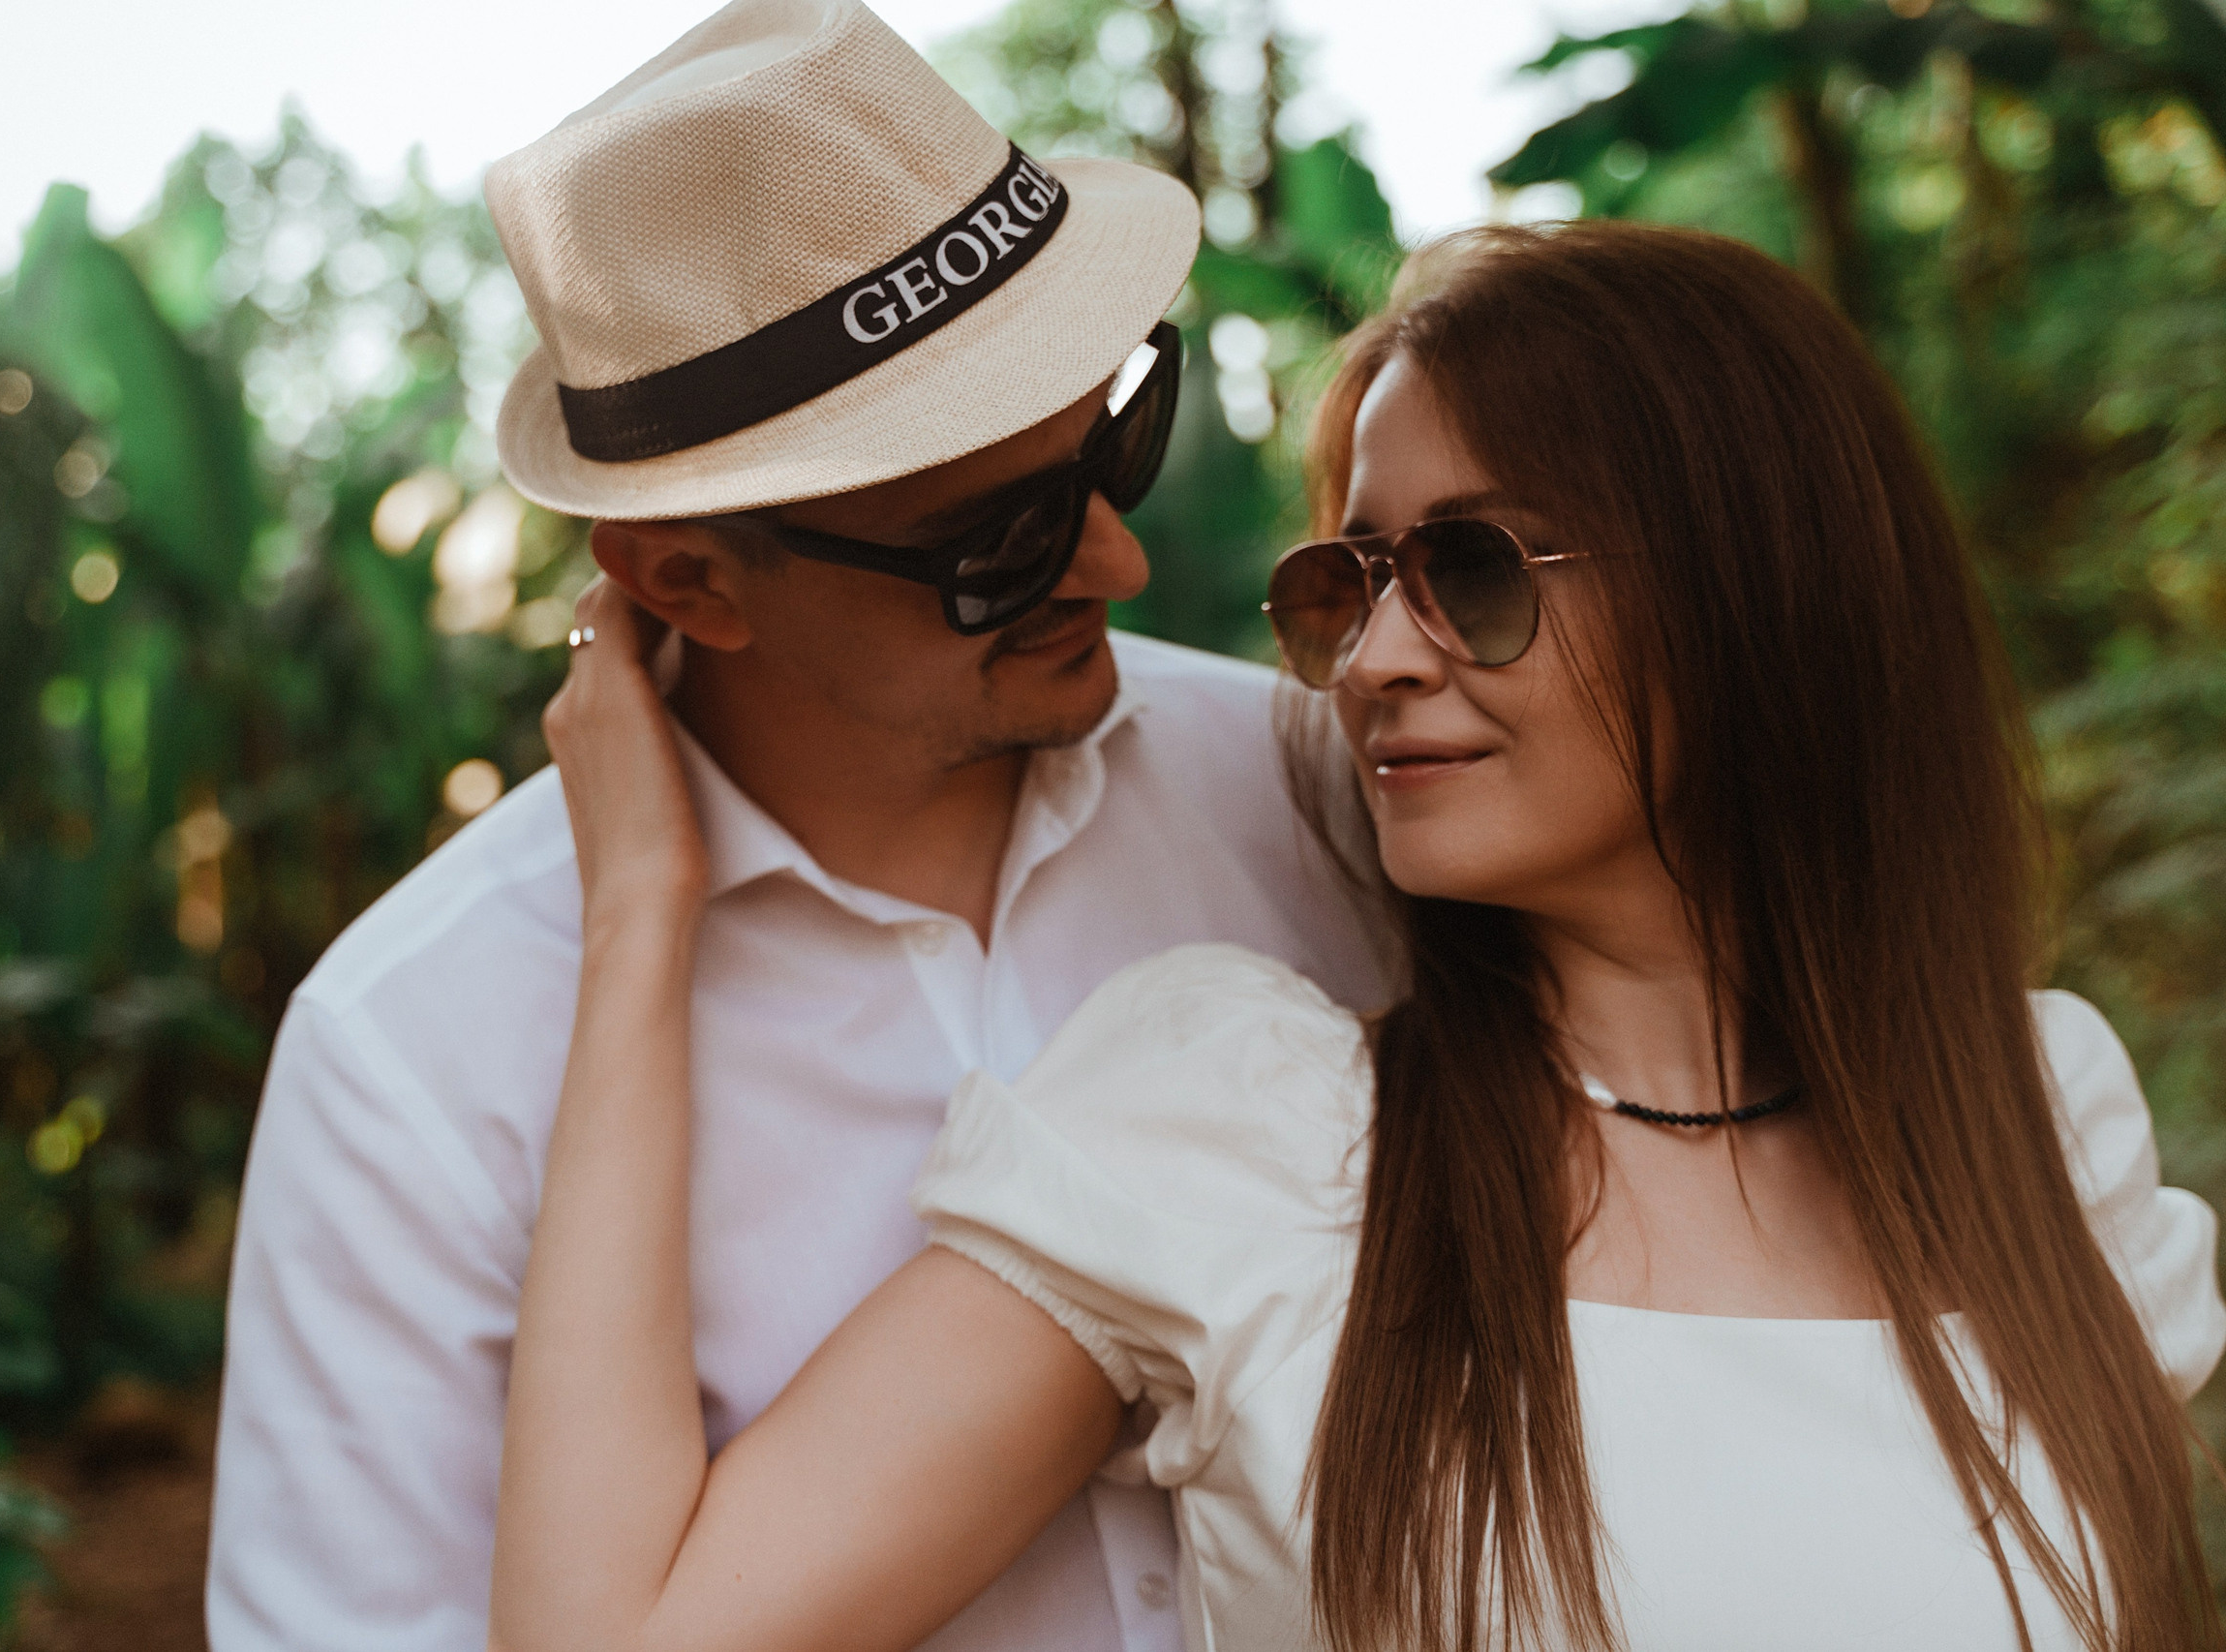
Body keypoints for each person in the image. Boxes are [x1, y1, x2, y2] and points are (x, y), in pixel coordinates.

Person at [498, 220, 2226, 1652]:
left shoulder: (2040, 1127)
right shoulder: (1260, 1141)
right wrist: (648, 906)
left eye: (1468, 567)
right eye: (1351, 582)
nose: (1381, 657)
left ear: (1757, 579)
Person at [203, 2, 1389, 1648]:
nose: (1116, 565)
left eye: (1113, 446)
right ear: (686, 578)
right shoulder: (414, 1052)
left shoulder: (1322, 791)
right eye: (1004, 539)